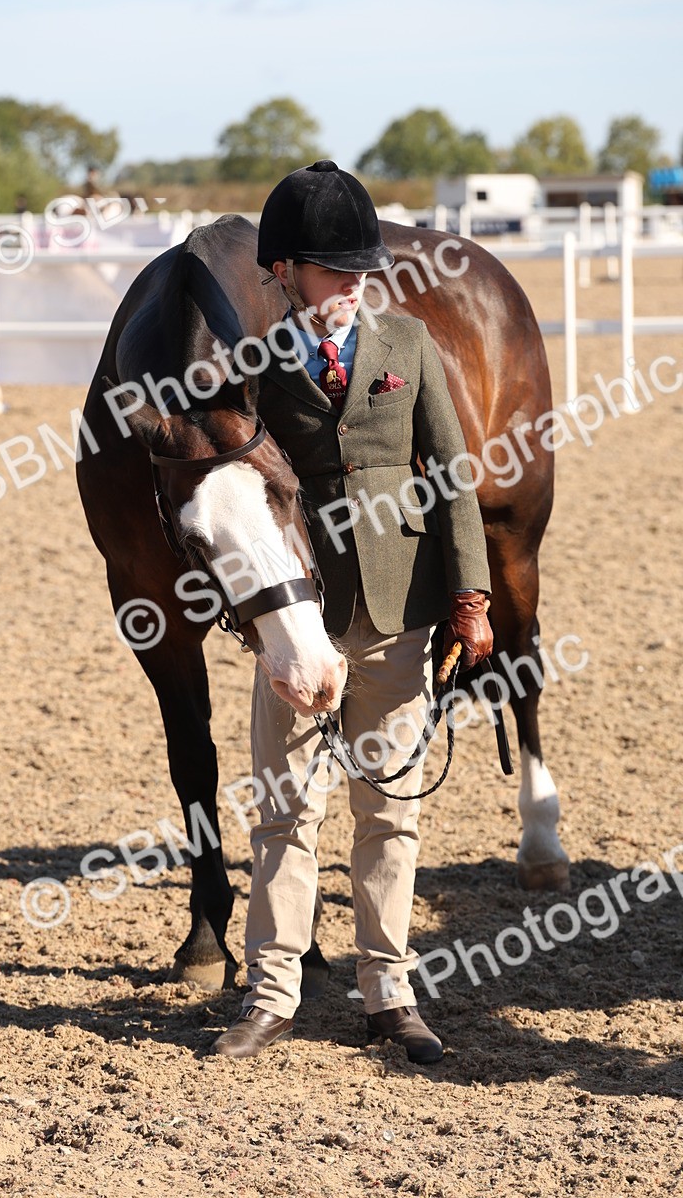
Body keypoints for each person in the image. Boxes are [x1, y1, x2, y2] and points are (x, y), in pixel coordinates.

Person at [211, 161, 493, 1064]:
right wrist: (253, 616)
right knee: (285, 808)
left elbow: (451, 476)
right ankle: (272, 995)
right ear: (284, 269)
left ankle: (388, 992)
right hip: (297, 619)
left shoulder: (406, 344)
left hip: (398, 607)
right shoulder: (248, 369)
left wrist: (470, 596)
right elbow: (227, 498)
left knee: (390, 809)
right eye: (336, 271)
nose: (353, 286)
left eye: (362, 270)